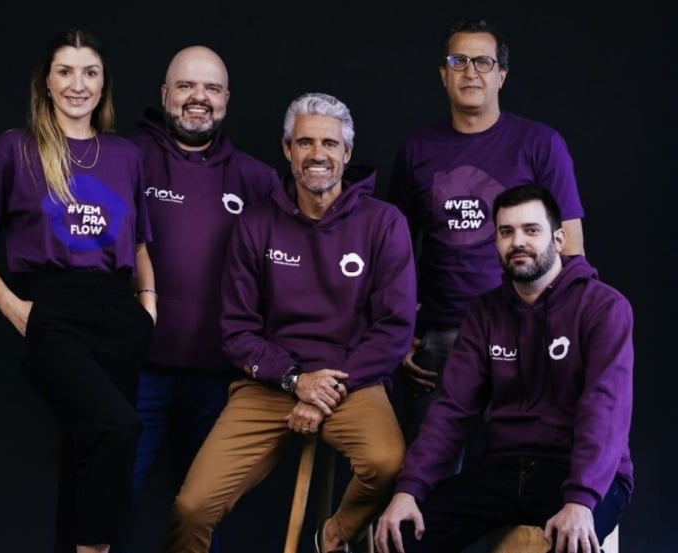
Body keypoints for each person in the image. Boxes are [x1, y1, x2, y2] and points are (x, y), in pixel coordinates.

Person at [164, 92, 417, 553]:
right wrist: (296, 381)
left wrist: (325, 392)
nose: (317, 154)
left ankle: (334, 536)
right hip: (271, 384)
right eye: (305, 142)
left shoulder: (384, 222)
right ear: (287, 149)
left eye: (329, 143)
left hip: (353, 380)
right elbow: (237, 330)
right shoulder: (256, 224)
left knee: (386, 463)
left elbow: (394, 328)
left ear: (347, 153)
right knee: (192, 507)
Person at [0, 27, 157, 553]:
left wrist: (148, 307)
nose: (78, 84)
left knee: (91, 452)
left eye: (90, 72)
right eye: (65, 72)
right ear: (46, 82)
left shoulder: (125, 155)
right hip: (53, 309)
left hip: (118, 314)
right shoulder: (15, 148)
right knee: (117, 427)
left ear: (103, 83)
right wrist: (16, 309)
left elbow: (139, 245)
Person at [374, 184, 633, 553]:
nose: (518, 242)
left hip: (582, 473)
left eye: (531, 230)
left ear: (559, 239)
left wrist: (580, 499)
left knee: (571, 543)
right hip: (507, 468)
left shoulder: (603, 308)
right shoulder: (484, 314)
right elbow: (453, 410)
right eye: (506, 232)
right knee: (401, 537)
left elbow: (604, 410)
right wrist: (409, 489)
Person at [388, 16, 587, 455]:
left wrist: (558, 329)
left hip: (523, 329)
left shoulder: (540, 144)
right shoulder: (417, 150)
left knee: (522, 462)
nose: (470, 72)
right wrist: (400, 327)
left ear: (502, 75)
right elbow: (393, 251)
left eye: (483, 62)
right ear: (443, 74)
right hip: (440, 334)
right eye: (458, 61)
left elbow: (571, 247)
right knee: (430, 465)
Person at [120, 45, 279, 552]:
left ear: (227, 99)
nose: (199, 97)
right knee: (111, 499)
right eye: (186, 86)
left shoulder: (257, 180)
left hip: (220, 377)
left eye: (211, 88)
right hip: (136, 371)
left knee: (201, 514)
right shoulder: (127, 160)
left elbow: (289, 267)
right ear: (165, 93)